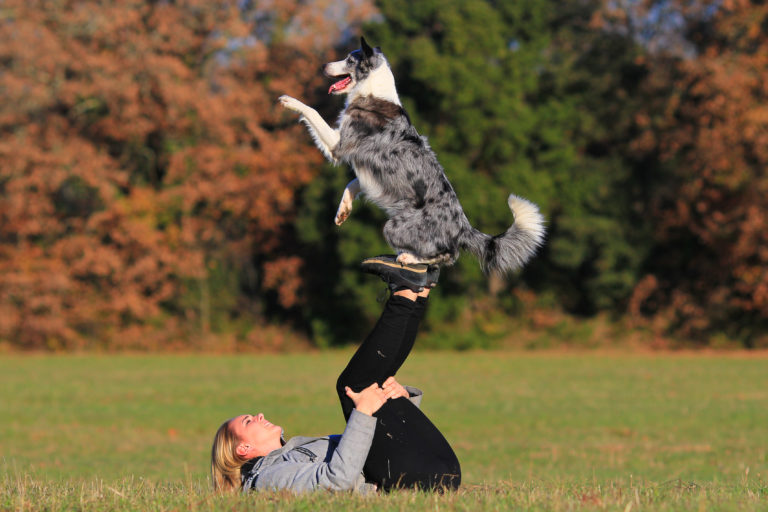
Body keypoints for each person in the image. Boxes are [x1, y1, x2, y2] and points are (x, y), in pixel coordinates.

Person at [210, 257, 460, 493]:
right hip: (417, 479)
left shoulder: (294, 450)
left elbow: (376, 445)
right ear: (243, 448)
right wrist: (362, 412)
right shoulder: (267, 478)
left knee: (375, 386)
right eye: (248, 421)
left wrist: (400, 399)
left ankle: (419, 289)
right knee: (354, 387)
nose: (259, 415)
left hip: (434, 470)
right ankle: (407, 289)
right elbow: (336, 482)